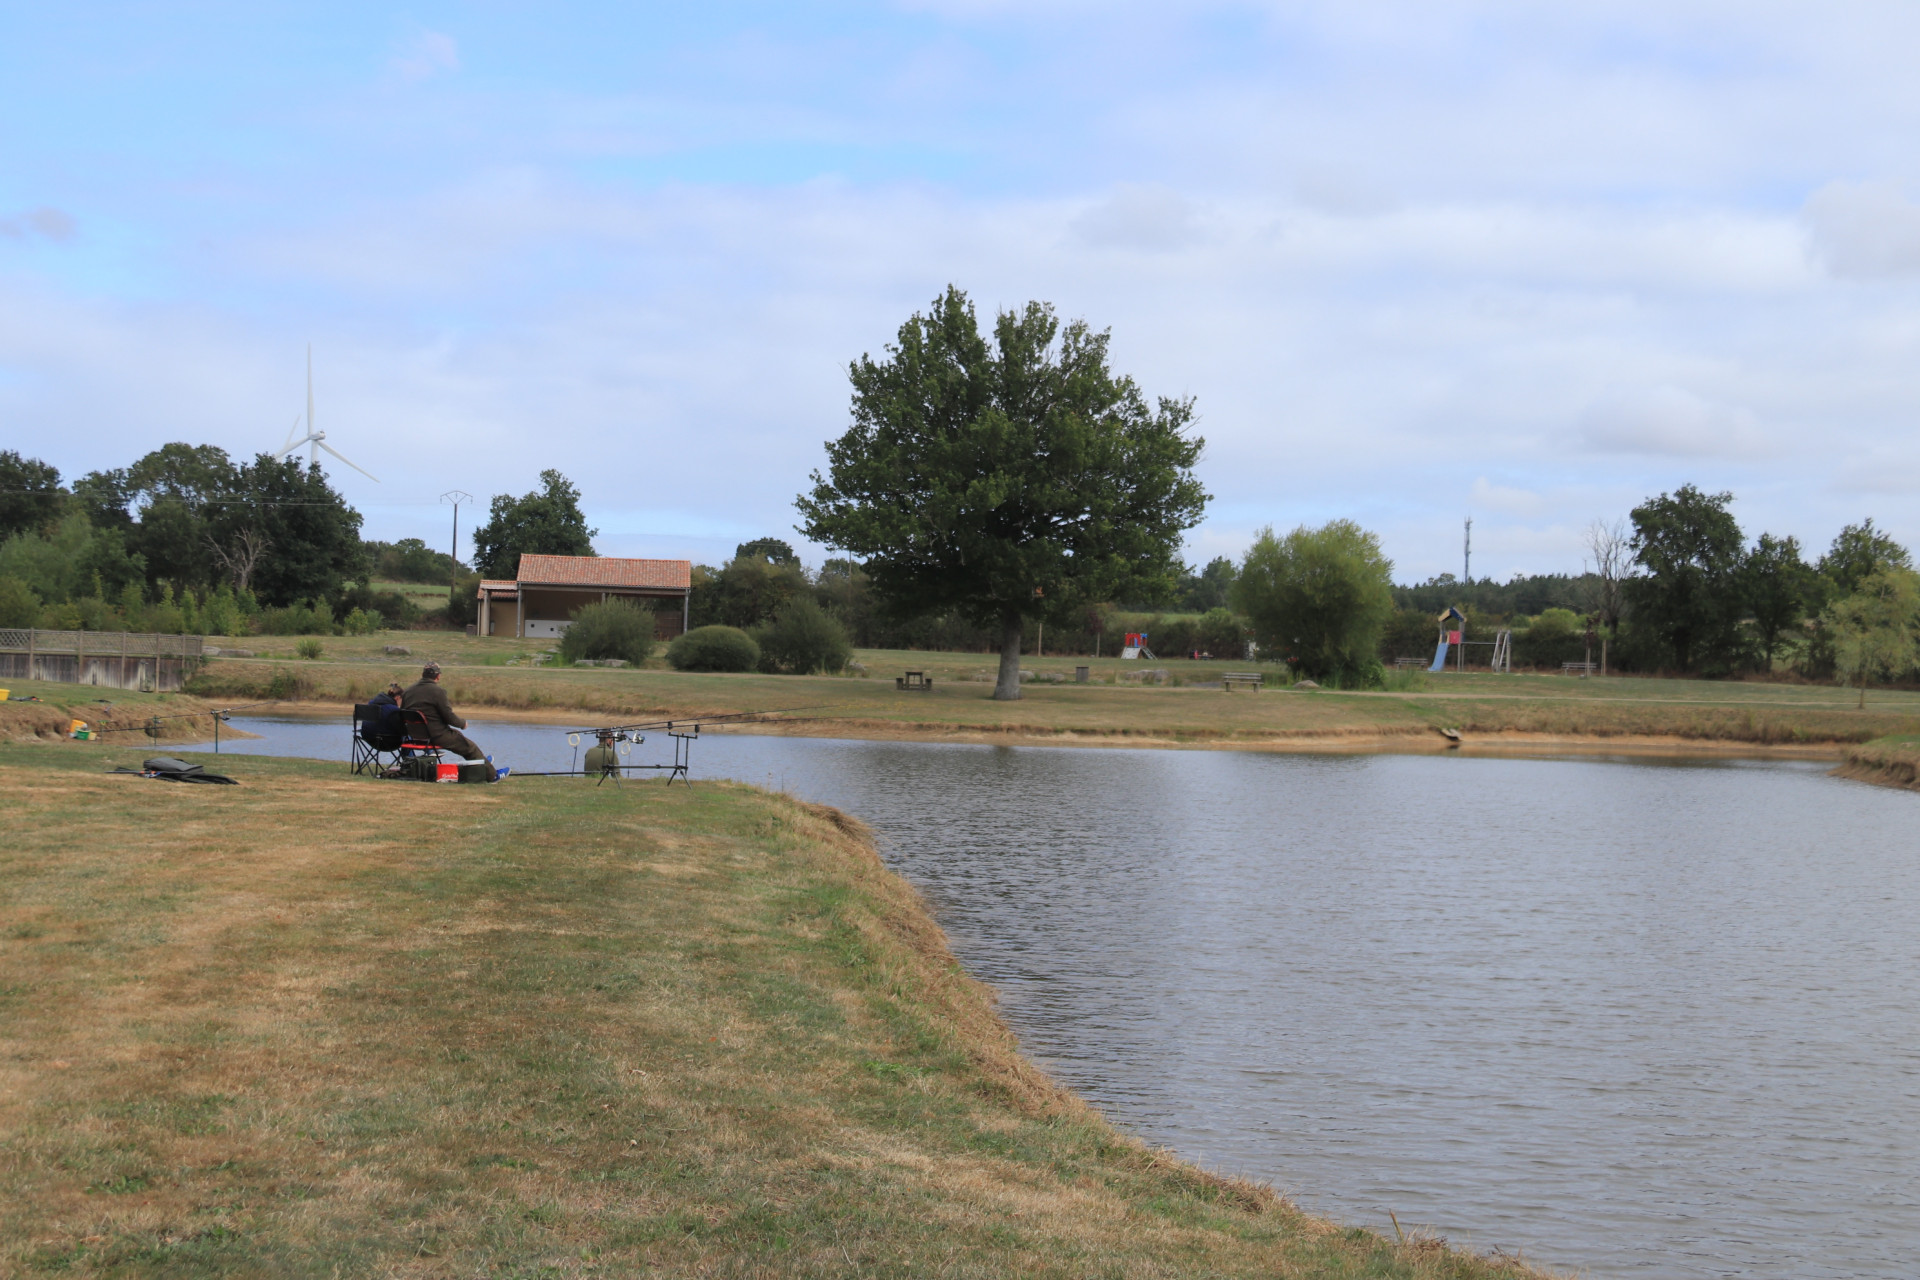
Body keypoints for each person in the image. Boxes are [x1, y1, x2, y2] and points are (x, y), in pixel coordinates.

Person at [401, 662, 507, 782]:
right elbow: (449, 717)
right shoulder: (438, 691)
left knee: (464, 743)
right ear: (438, 676)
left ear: (422, 674)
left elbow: (403, 713)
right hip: (435, 735)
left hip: (413, 736)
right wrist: (462, 724)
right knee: (469, 747)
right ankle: (492, 775)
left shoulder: (408, 691)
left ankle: (482, 762)